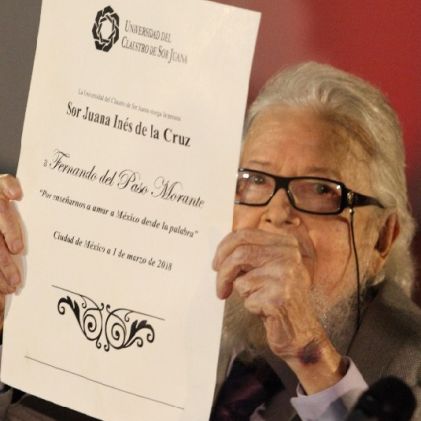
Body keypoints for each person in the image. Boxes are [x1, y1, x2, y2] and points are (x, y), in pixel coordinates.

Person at [0, 62, 420, 420]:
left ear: (382, 239)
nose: (276, 212)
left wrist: (310, 354)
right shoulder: (155, 315)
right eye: (255, 180)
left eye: (321, 189)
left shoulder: (411, 366)